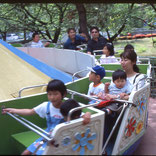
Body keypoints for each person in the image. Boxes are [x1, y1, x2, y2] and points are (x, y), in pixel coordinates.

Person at [2, 79, 91, 155]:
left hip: (61, 139)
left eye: (55, 94)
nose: (52, 97)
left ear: (63, 94)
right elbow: (30, 111)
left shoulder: (68, 107)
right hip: (46, 136)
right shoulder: (46, 106)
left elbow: (81, 115)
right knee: (25, 153)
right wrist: (13, 110)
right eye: (49, 94)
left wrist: (88, 114)